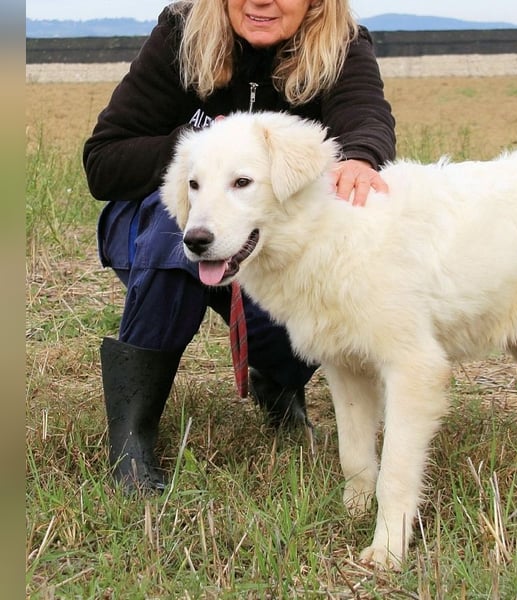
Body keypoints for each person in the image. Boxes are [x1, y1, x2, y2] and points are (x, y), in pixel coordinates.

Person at [83, 0, 396, 493]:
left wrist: (360, 157)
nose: (261, 1)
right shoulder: (181, 34)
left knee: (326, 260)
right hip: (166, 222)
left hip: (267, 233)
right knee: (177, 242)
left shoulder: (341, 43)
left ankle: (279, 383)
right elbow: (102, 160)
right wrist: (202, 149)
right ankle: (132, 437)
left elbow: (365, 119)